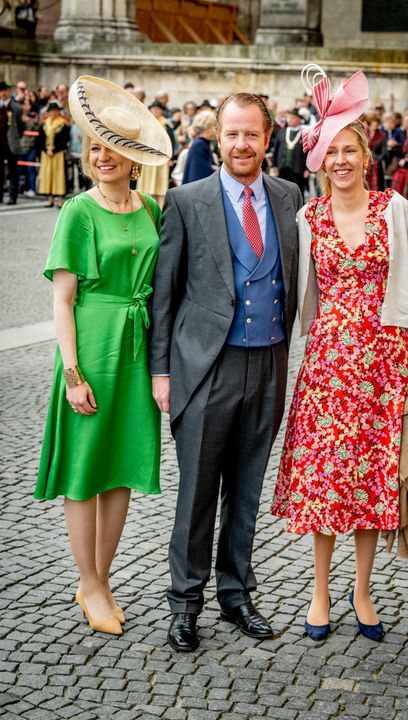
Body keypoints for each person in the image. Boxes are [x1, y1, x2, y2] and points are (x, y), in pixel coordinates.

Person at [271, 65, 408, 643]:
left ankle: (361, 590)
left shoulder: (397, 210)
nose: (341, 160)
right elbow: (294, 293)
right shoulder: (307, 218)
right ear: (318, 159)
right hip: (328, 367)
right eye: (331, 151)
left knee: (370, 485)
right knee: (325, 483)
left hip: (385, 365)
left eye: (350, 150)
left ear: (365, 156)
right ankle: (319, 593)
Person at [150, 92, 303, 652]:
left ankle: (236, 594)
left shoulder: (289, 197)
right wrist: (161, 371)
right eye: (231, 134)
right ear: (219, 138)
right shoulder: (186, 200)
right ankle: (185, 603)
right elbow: (164, 295)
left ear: (268, 139)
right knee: (196, 494)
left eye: (251, 135)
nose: (241, 145)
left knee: (246, 489)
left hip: (268, 361)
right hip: (205, 367)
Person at [34, 76, 172, 635]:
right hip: (91, 347)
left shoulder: (150, 210)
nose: (101, 156)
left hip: (136, 349)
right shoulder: (78, 212)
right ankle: (87, 582)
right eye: (94, 147)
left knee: (120, 468)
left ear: (133, 156)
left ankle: (102, 576)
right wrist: (72, 373)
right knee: (86, 470)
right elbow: (62, 301)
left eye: (112, 147)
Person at [136, 101, 174, 207]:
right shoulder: (145, 123)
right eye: (153, 108)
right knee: (145, 185)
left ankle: (160, 209)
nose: (155, 110)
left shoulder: (166, 125)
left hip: (161, 158)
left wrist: (170, 157)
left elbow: (171, 142)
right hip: (147, 157)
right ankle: (144, 207)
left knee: (160, 186)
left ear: (161, 111)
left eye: (158, 109)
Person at [37, 100, 70, 207]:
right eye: (51, 111)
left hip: (58, 153)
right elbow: (40, 139)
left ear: (58, 112)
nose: (53, 113)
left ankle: (60, 200)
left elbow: (65, 140)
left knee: (58, 175)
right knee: (47, 175)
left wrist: (54, 150)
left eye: (55, 111)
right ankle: (50, 199)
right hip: (46, 153)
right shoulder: (44, 124)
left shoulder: (63, 124)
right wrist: (46, 150)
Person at [272, 107, 309, 197]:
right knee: (282, 191)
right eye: (288, 118)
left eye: (292, 118)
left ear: (299, 119)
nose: (289, 120)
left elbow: (308, 153)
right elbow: (276, 150)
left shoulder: (305, 134)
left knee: (298, 192)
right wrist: (274, 165)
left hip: (298, 169)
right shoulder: (282, 132)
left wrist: (308, 169)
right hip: (283, 168)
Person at [0, 79, 24, 205]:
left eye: (5, 91)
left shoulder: (16, 108)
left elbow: (21, 127)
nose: (3, 93)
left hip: (10, 143)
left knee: (13, 170)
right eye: (1, 91)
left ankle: (12, 196)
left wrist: (14, 138)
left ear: (9, 92)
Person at [181, 109, 217, 184]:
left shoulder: (202, 143)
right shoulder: (200, 144)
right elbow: (199, 175)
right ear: (208, 126)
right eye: (214, 125)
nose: (216, 128)